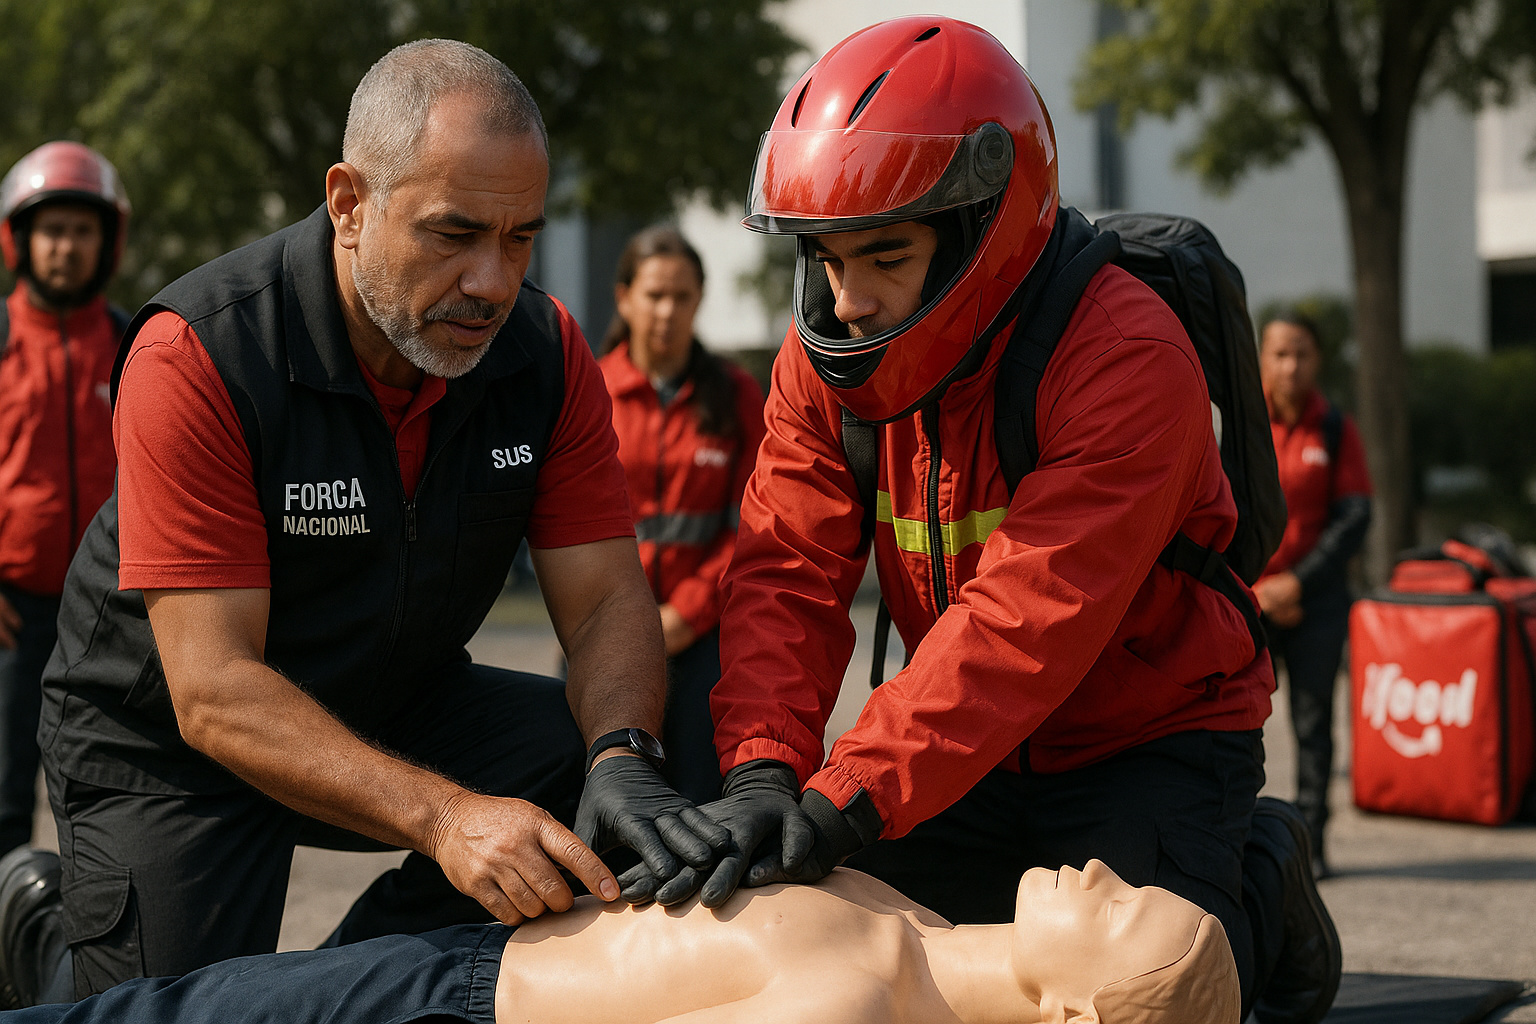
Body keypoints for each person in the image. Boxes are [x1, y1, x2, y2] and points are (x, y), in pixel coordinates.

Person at [620, 17, 1340, 1024]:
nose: (850, 300)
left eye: (884, 255)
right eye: (826, 258)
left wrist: (843, 798)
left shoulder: (1126, 352)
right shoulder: (821, 358)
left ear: (980, 231)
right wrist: (763, 771)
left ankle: (1259, 881)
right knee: (822, 939)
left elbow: (1025, 615)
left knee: (1147, 989)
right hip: (959, 754)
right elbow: (786, 568)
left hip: (1146, 738)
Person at [8, 39, 727, 1003]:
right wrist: (445, 820)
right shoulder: (200, 353)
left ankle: (357, 981)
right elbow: (216, 690)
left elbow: (604, 603)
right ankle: (37, 936)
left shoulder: (546, 353)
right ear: (349, 204)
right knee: (160, 1010)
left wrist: (625, 757)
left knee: (573, 761)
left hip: (388, 692)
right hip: (172, 738)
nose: (491, 281)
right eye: (454, 232)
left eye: (520, 238)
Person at [0, 857, 1241, 1024]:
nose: (1104, 875)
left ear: (1079, 1017)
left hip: (462, 1003)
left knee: (159, 1021)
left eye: (1125, 908)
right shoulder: (913, 927)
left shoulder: (855, 1006)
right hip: (481, 934)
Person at [597, 226, 766, 803]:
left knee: (700, 801)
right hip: (603, 634)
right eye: (653, 295)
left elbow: (751, 524)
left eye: (682, 296)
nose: (667, 311)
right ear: (624, 297)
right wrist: (625, 619)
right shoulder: (589, 393)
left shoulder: (737, 395)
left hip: (703, 642)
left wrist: (686, 615)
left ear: (699, 300)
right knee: (603, 802)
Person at [0, 142, 130, 858]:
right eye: (51, 230)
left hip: (106, 619)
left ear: (107, 241)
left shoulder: (132, 342)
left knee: (103, 793)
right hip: (13, 618)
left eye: (82, 230)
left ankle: (82, 951)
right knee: (5, 794)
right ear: (19, 239)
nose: (65, 247)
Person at [1253, 314, 1372, 878]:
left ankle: (1311, 845)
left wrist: (1297, 584)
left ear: (1317, 360)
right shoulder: (1243, 425)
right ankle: (1237, 838)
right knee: (1236, 722)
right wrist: (1257, 592)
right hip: (1250, 599)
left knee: (1313, 723)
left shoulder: (1334, 427)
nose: (1290, 366)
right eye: (1279, 354)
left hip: (1317, 601)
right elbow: (1215, 511)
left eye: (1300, 354)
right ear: (1260, 358)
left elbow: (1354, 517)